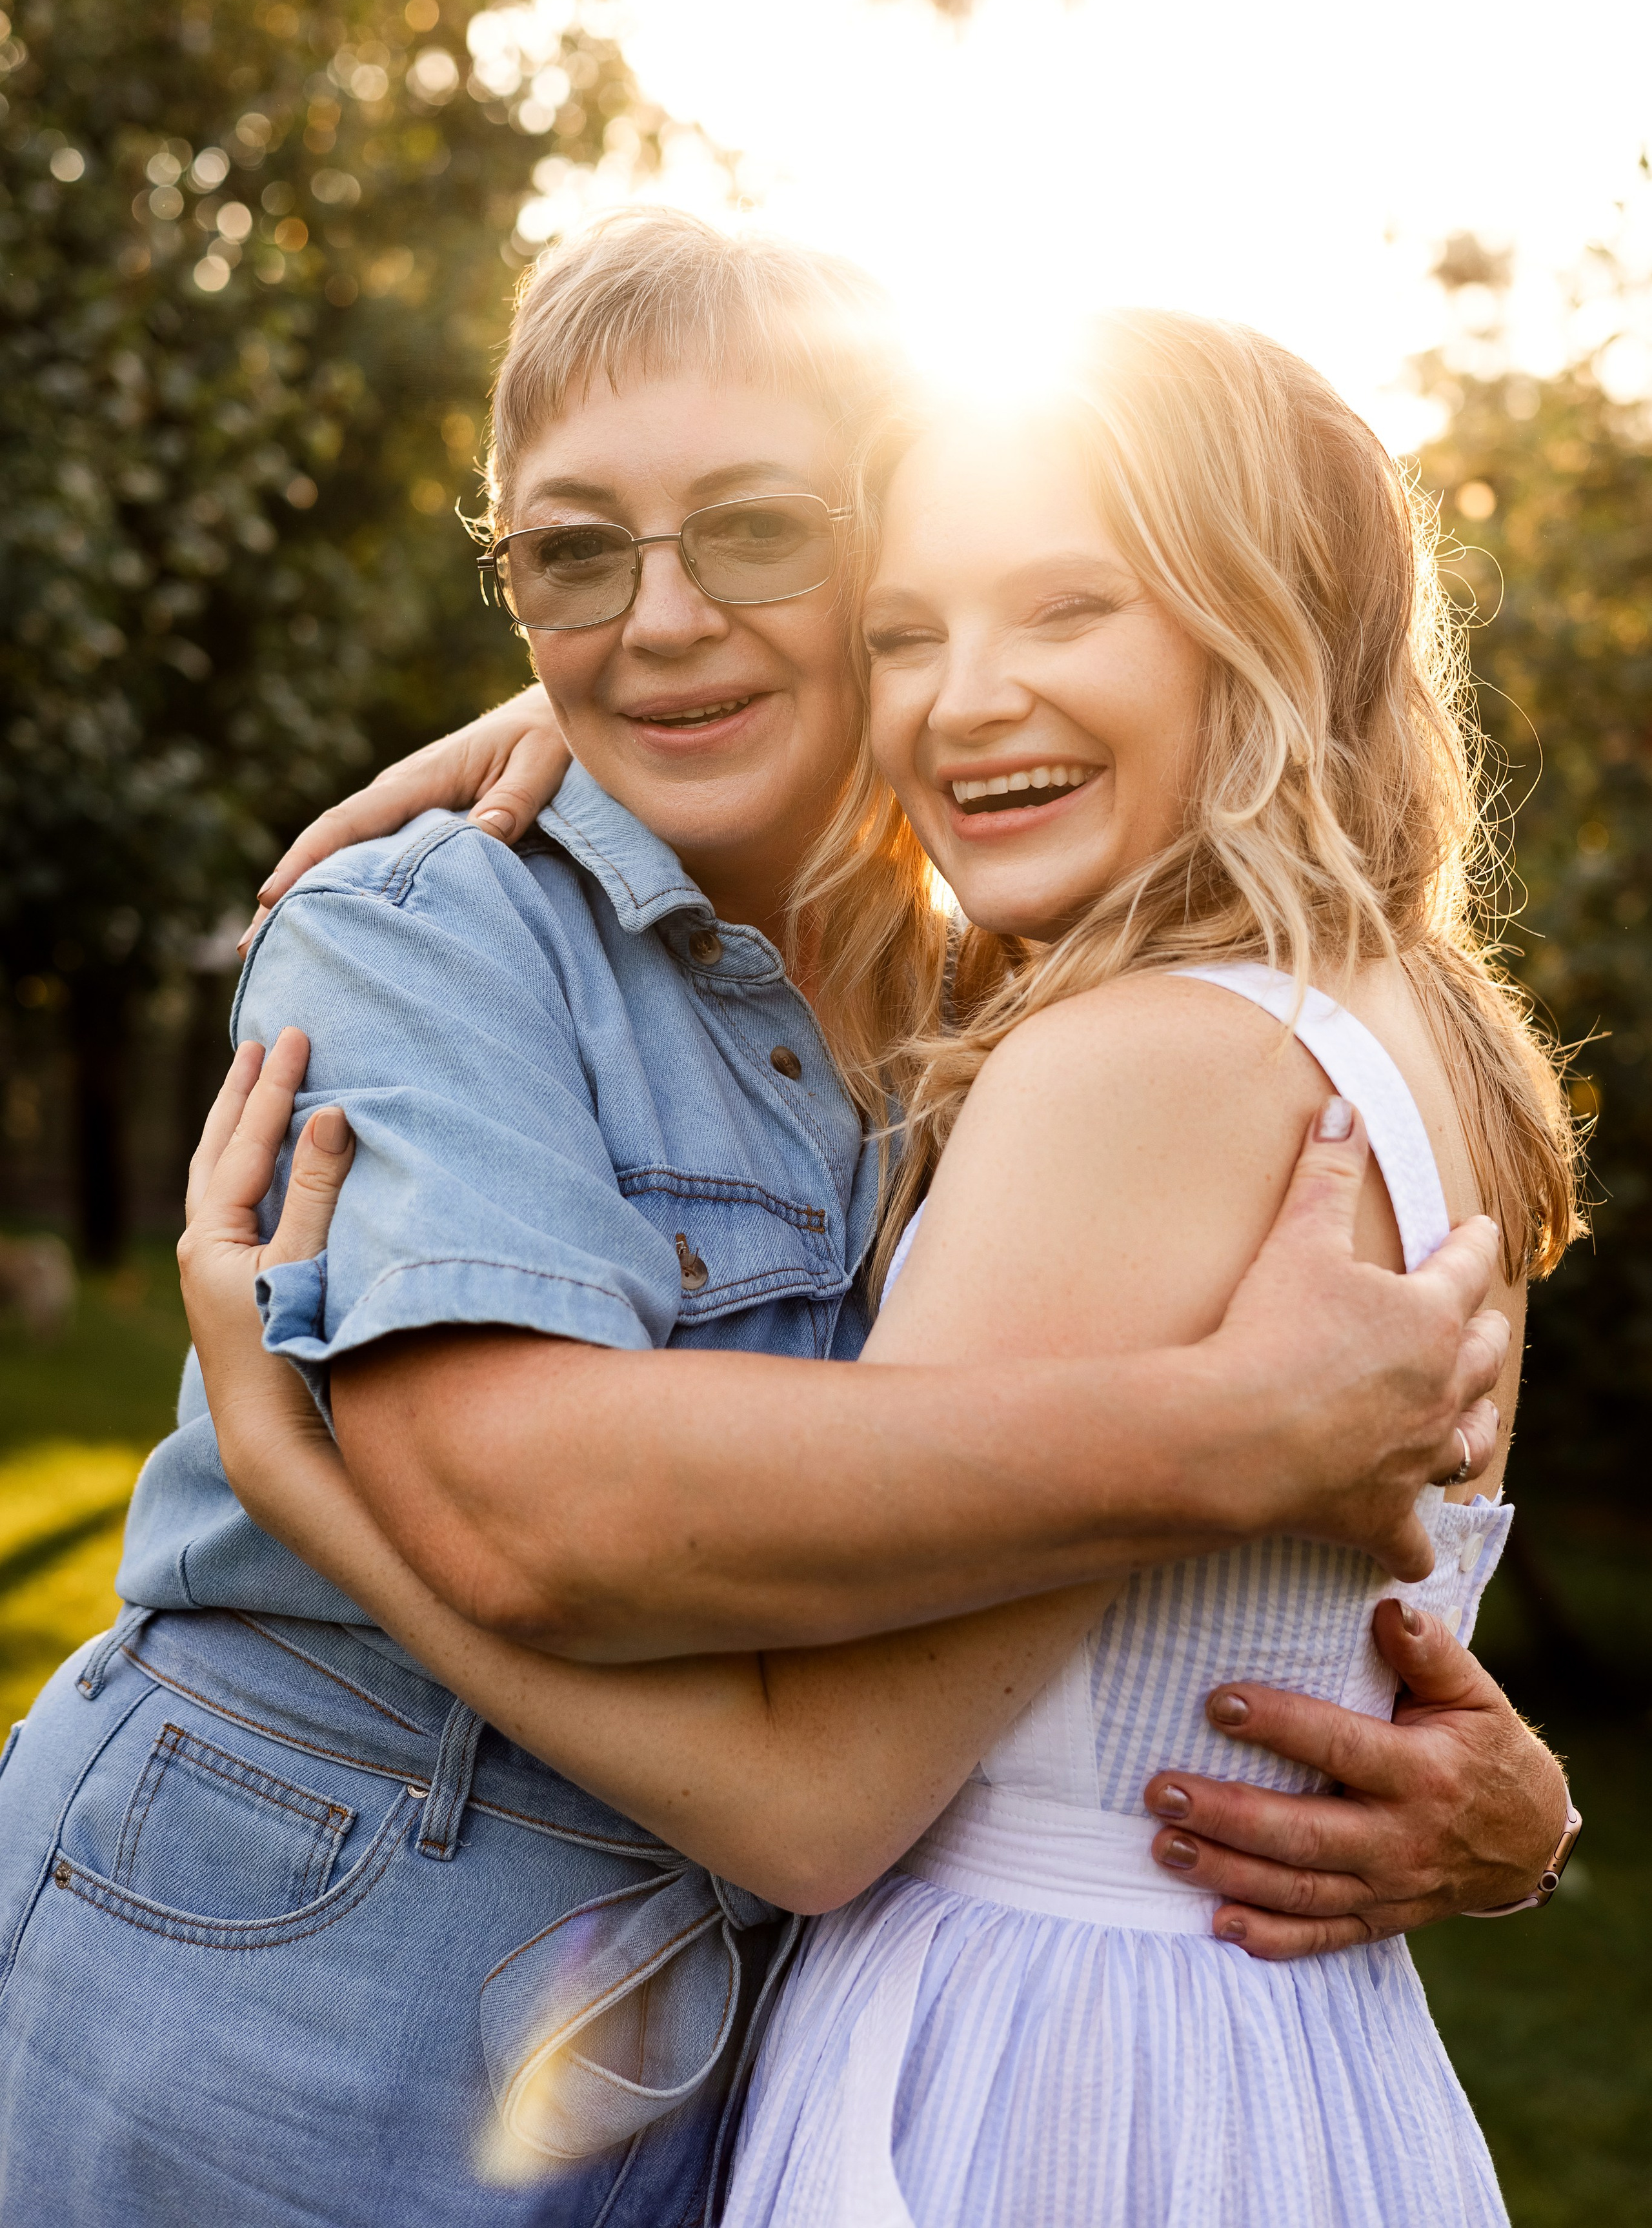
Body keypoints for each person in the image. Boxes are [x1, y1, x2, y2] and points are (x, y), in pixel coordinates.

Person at [0, 218, 1552, 2228]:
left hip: (804, 2031)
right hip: (311, 1965)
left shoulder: (1036, 1014)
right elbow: (533, 1512)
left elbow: (869, 1775)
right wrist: (1234, 1443)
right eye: (571, 556)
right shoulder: (433, 929)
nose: (656, 622)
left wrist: (1507, 1810)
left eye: (757, 533)